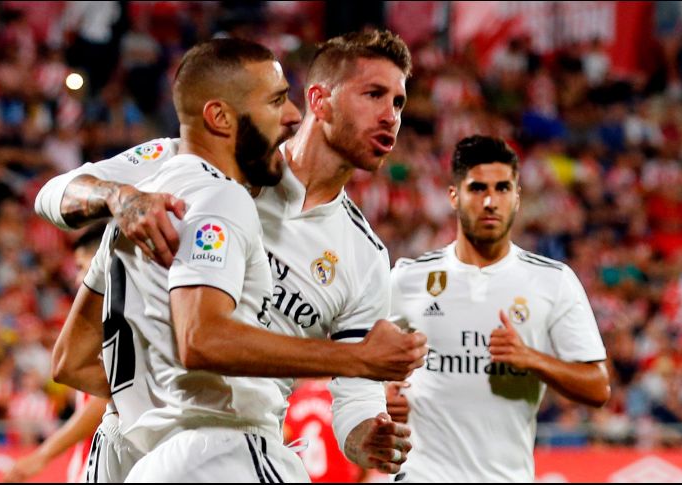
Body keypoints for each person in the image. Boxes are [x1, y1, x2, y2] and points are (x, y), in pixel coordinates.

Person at [48, 36, 426, 482]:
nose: (391, 116)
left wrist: (367, 437)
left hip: (190, 445)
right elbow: (55, 193)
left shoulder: (365, 257)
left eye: (399, 102)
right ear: (319, 101)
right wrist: (119, 196)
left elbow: (357, 402)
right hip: (193, 445)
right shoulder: (205, 163)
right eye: (374, 95)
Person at [385, 135, 610, 482]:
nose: (490, 201)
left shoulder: (553, 281)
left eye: (503, 188)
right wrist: (379, 396)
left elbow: (597, 387)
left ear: (517, 198)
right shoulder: (409, 277)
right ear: (454, 196)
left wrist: (531, 358)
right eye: (477, 189)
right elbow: (355, 357)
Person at [1, 225, 114, 483]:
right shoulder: (105, 319)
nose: (78, 279)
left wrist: (41, 456)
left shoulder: (115, 321)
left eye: (82, 267)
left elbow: (105, 400)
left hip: (109, 467)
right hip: (95, 464)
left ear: (104, 264)